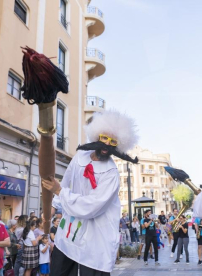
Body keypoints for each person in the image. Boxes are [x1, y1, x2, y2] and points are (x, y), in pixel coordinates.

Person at [43, 110, 139, 275]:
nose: (107, 145)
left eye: (112, 141)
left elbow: (92, 206)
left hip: (97, 237)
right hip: (70, 232)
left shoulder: (111, 174)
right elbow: (65, 183)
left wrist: (59, 191)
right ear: (96, 136)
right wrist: (50, 210)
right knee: (59, 271)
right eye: (104, 138)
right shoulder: (79, 157)